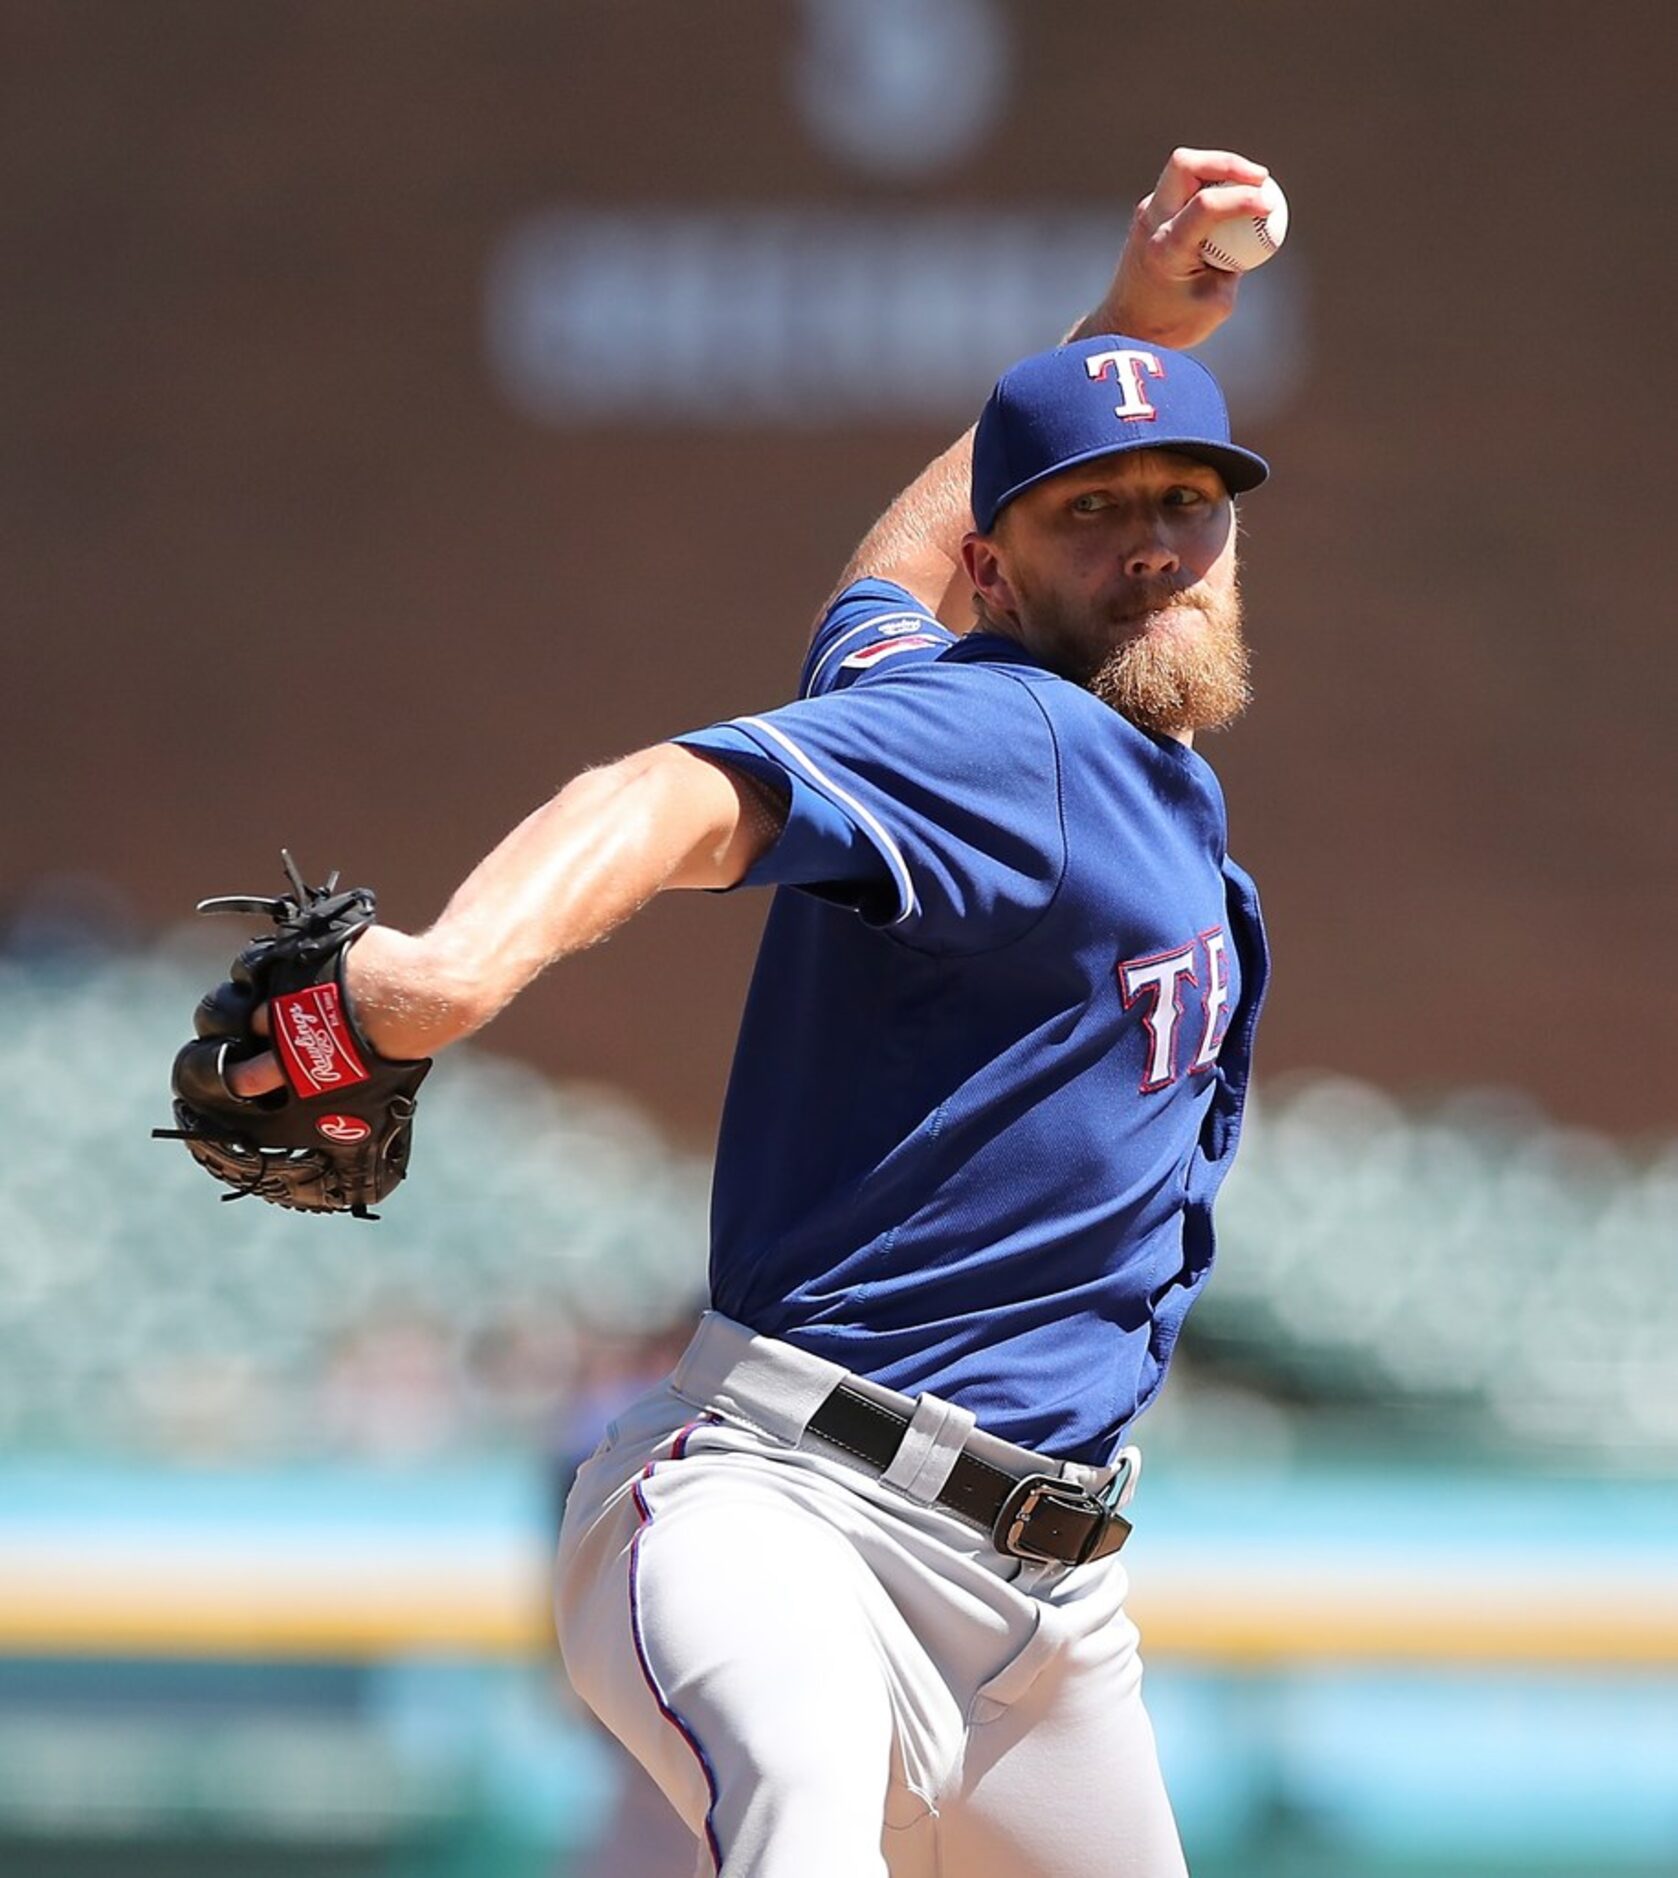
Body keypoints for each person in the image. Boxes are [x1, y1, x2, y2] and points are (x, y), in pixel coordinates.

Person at [230, 145, 1278, 1877]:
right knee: (802, 1829)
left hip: (1043, 1613)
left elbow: (873, 594)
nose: (1154, 546)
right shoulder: (1005, 737)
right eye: (1090, 510)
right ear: (1000, 572)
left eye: (1186, 499)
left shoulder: (947, 702)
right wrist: (440, 975)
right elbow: (670, 792)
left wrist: (1126, 319)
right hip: (786, 1508)